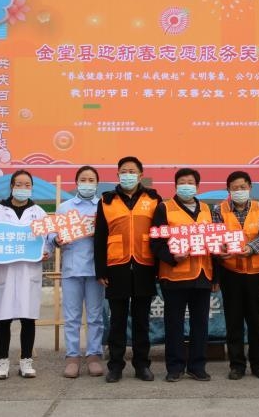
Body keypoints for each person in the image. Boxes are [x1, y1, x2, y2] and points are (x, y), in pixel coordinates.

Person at [94, 156, 162, 383]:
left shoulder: (153, 199)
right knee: (117, 321)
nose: (128, 175)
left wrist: (160, 267)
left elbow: (159, 235)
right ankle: (115, 366)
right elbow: (100, 237)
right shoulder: (106, 201)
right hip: (116, 267)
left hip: (145, 265)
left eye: (132, 171)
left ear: (141, 175)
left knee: (142, 320)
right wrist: (101, 270)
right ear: (118, 175)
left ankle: (142, 365)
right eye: (124, 171)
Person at [151, 168, 218, 382]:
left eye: (190, 182)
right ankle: (175, 367)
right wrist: (172, 257)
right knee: (174, 324)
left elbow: (214, 243)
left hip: (202, 275)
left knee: (200, 324)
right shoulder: (164, 208)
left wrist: (216, 277)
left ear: (197, 186)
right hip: (174, 277)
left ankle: (197, 366)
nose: (186, 186)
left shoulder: (207, 209)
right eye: (182, 182)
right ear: (175, 185)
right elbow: (156, 242)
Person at [0, 170, 53, 379]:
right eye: (19, 184)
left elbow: (48, 239)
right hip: (5, 272)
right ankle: (2, 362)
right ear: (11, 186)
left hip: (28, 271)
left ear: (31, 188)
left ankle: (26, 361)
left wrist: (47, 252)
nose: (23, 188)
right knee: (3, 318)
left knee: (28, 317)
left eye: (27, 185)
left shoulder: (39, 213)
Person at [212, 171, 259, 380]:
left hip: (256, 272)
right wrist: (221, 248)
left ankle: (258, 364)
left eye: (243, 187)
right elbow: (216, 236)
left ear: (250, 187)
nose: (239, 191)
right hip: (230, 272)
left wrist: (251, 248)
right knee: (233, 319)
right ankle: (237, 365)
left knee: (256, 319)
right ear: (228, 189)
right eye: (235, 188)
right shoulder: (218, 209)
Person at [56, 166, 105, 378]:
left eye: (91, 180)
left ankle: (94, 355)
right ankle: (72, 357)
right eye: (83, 179)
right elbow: (53, 233)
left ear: (97, 184)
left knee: (95, 316)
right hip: (71, 269)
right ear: (76, 182)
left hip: (95, 270)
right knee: (72, 317)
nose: (87, 183)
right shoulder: (64, 207)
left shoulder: (103, 206)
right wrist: (56, 240)